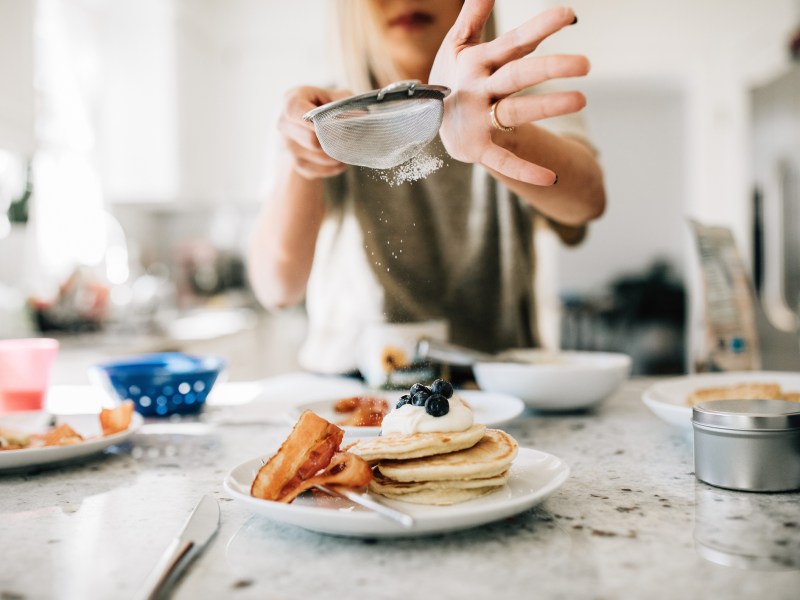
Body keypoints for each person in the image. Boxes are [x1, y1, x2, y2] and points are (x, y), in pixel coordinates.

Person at [247, 0, 606, 375]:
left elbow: (587, 202)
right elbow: (277, 288)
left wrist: (499, 133)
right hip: (351, 389)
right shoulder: (318, 115)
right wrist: (303, 159)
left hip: (493, 379)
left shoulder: (517, 93)